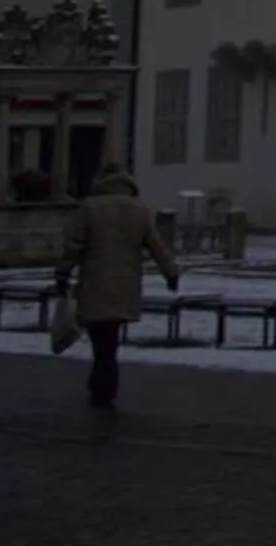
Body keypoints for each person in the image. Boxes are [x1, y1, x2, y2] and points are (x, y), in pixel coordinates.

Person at [56, 161, 179, 408]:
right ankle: (103, 385)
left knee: (101, 339)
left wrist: (62, 273)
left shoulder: (89, 208)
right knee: (109, 337)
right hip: (125, 284)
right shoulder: (139, 210)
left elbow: (73, 246)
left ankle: (102, 386)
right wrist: (171, 274)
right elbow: (157, 247)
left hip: (95, 282)